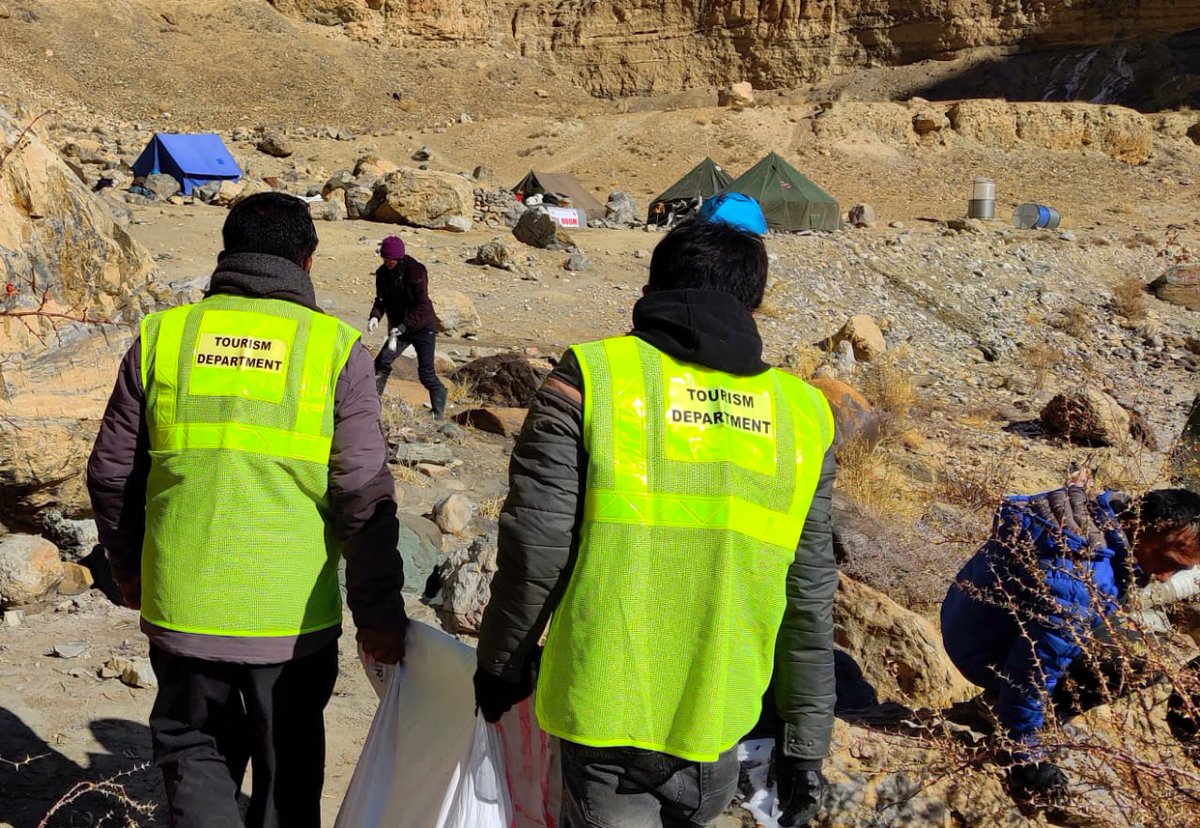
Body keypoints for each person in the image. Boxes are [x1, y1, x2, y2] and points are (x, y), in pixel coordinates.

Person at [472, 210, 839, 828]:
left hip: (604, 709)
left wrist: (502, 664)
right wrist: (807, 743)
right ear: (756, 311)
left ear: (649, 295)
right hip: (720, 719)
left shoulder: (595, 377)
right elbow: (809, 591)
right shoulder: (803, 414)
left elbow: (537, 546)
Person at [87, 192, 408, 828]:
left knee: (194, 755)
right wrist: (378, 613)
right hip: (288, 623)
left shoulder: (164, 337)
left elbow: (111, 472)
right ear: (309, 262)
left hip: (184, 605)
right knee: (288, 772)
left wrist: (129, 571)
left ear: (225, 254)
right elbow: (362, 494)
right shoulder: (335, 349)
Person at [941, 482, 1200, 807]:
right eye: (1168, 560)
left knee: (1128, 638)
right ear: (1138, 525)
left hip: (967, 620)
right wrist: (1025, 754)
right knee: (1146, 659)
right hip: (985, 653)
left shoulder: (1087, 517)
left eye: (1180, 569)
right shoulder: (1080, 580)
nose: (1165, 576)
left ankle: (1004, 706)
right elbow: (1033, 669)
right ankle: (1001, 710)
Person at [367, 235, 448, 419]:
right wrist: (374, 317)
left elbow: (421, 305)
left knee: (426, 373)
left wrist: (404, 326)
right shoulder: (382, 274)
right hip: (399, 330)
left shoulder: (416, 272)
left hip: (422, 327)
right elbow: (381, 300)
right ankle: (373, 404)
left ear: (399, 258)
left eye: (391, 260)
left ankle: (438, 410)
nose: (388, 262)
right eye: (385, 259)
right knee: (381, 363)